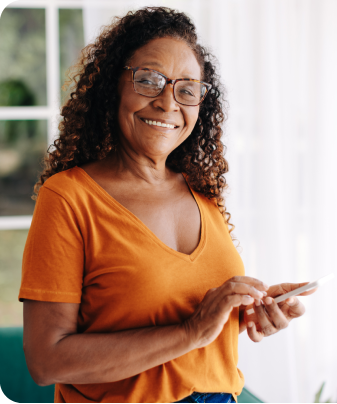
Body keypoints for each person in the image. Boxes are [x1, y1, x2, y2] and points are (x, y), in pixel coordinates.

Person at [19, 7, 315, 404]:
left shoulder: (202, 192)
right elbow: (47, 361)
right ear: (113, 86)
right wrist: (192, 331)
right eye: (149, 80)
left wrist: (243, 312)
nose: (167, 102)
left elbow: (178, 313)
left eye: (187, 89)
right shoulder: (69, 197)